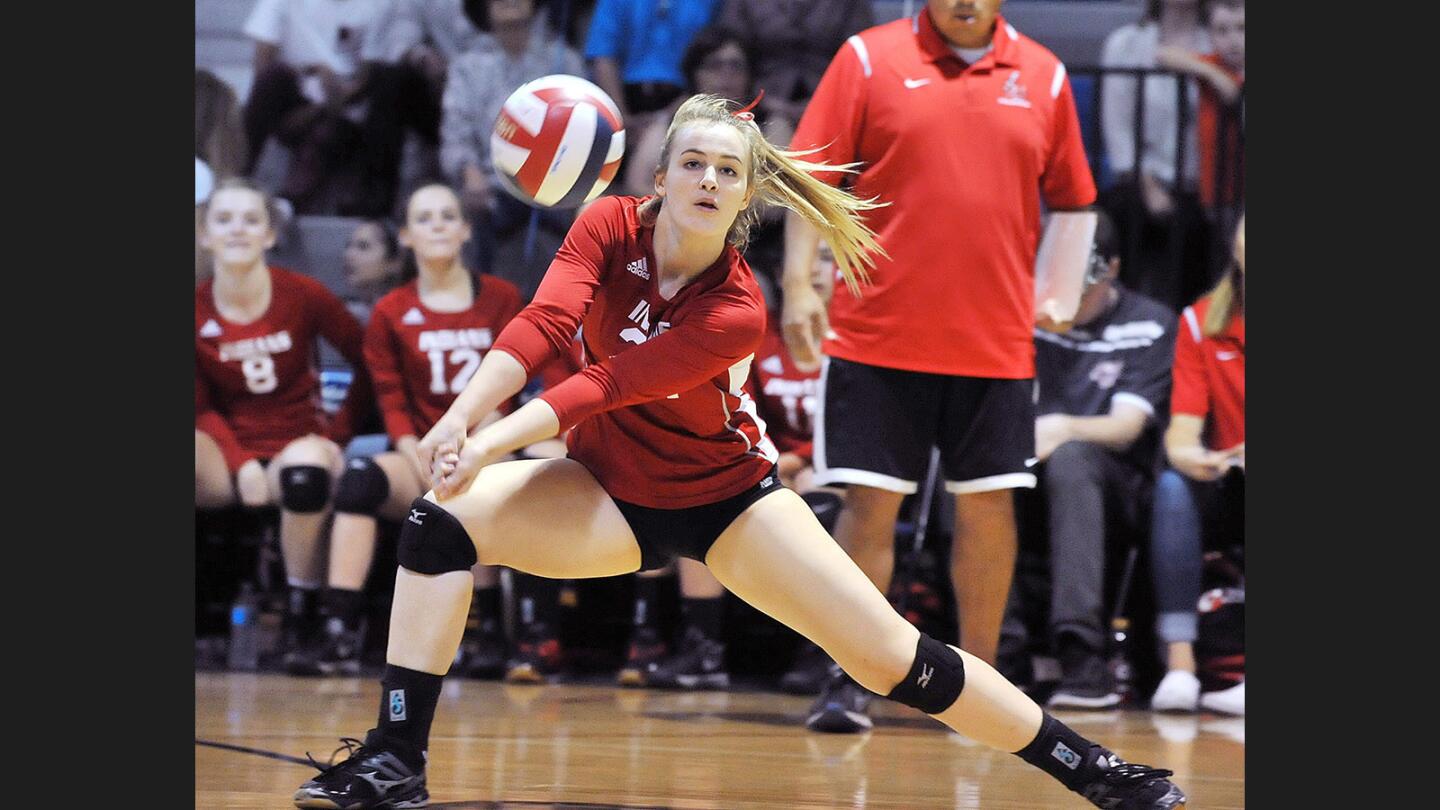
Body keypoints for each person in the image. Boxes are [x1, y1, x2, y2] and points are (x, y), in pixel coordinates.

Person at [291, 93, 1186, 810]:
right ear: (663, 172)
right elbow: (544, 323)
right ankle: (394, 760)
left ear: (746, 192)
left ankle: (1094, 771)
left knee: (893, 660)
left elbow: (605, 384)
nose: (710, 180)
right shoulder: (606, 228)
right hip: (607, 491)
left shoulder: (738, 307)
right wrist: (461, 419)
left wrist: (485, 438)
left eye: (729, 170)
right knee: (438, 523)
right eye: (694, 163)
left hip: (731, 503)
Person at [780, 0, 1098, 731]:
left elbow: (1076, 200)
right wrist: (798, 283)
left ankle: (976, 690)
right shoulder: (867, 57)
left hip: (994, 344)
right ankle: (849, 678)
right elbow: (806, 177)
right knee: (868, 512)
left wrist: (1057, 291)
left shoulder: (1044, 76)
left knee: (988, 511)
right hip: (875, 336)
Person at [282, 185, 534, 679]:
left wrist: (470, 450)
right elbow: (391, 399)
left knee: (472, 486)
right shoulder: (391, 310)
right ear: (407, 236)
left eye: (448, 216)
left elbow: (508, 389)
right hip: (419, 448)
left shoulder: (502, 298)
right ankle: (339, 631)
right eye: (424, 218)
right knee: (359, 481)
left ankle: (487, 632)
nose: (437, 225)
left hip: (486, 443)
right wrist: (416, 456)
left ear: (465, 231)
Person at [195, 177, 373, 663]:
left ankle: (302, 613)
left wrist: (337, 437)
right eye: (224, 220)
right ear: (205, 233)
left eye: (250, 220)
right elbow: (199, 407)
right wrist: (239, 464)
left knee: (304, 476)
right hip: (227, 448)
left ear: (270, 235)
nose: (237, 230)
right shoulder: (195, 308)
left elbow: (371, 361)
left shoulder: (304, 295)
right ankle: (204, 614)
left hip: (297, 439)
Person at [1008, 210, 1177, 709]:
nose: (1070, 303)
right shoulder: (1024, 313)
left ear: (1113, 270)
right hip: (1025, 475)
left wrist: (1058, 428)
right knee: (976, 469)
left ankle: (1081, 653)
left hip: (1112, 487)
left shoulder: (1148, 324)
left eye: (1084, 289)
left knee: (1074, 459)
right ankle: (1000, 651)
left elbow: (1124, 429)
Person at [1148, 215, 1244, 717]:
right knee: (1170, 487)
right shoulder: (1201, 321)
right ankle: (1180, 665)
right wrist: (1200, 458)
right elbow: (1182, 433)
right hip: (1229, 479)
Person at [439, 0, 584, 280]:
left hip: (553, 189)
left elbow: (587, 131)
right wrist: (470, 174)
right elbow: (455, 132)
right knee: (466, 213)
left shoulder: (564, 61)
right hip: (490, 190)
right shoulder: (467, 66)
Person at [1098, 0, 1213, 310]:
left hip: (1200, 186)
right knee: (1120, 218)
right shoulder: (1125, 43)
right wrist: (1148, 186)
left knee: (1204, 233)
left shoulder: (1219, 40)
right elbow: (1118, 126)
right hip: (1140, 180)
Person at [241, 0, 389, 213]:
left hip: (344, 106)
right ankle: (237, 174)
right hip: (292, 100)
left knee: (325, 134)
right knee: (272, 79)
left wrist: (329, 98)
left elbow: (371, 74)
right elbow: (262, 67)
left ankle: (286, 207)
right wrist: (308, 72)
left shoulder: (378, 5)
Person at [1154, 0, 1244, 242]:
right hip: (1219, 192)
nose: (1233, 40)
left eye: (1242, 28)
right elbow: (1163, 54)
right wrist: (1212, 74)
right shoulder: (1213, 64)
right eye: (1222, 31)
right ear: (1210, 35)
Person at [713, 0, 872, 134]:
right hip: (760, 98)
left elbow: (861, 50)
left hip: (831, 97)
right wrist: (763, 100)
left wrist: (825, 102)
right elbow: (732, 45)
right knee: (776, 128)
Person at [583, 0, 721, 123]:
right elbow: (602, 55)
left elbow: (720, 52)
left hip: (687, 99)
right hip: (623, 99)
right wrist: (621, 119)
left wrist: (669, 115)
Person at [340, 218, 407, 325]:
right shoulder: (352, 314)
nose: (348, 255)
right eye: (348, 246)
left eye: (363, 247)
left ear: (394, 262)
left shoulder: (408, 317)